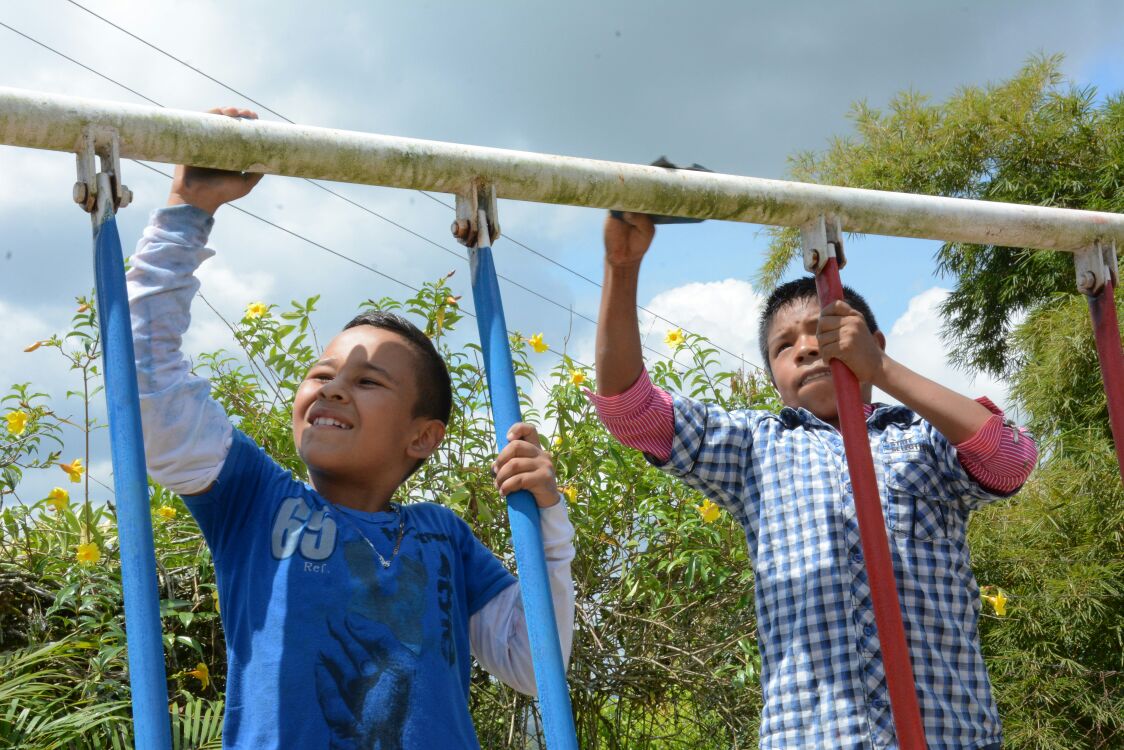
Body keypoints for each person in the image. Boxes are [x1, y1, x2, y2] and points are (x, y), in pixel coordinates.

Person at [127, 107, 575, 749]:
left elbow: (534, 666)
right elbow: (147, 380)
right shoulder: (255, 502)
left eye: (368, 382)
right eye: (321, 373)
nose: (334, 386)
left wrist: (549, 522)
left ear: (423, 436)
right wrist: (188, 207)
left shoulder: (442, 536)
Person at [590, 211, 1037, 750]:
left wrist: (882, 371)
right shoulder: (755, 447)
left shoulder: (922, 439)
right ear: (773, 378)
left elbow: (1009, 460)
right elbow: (629, 411)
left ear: (873, 341)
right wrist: (622, 266)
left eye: (824, 331)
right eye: (783, 347)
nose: (805, 348)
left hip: (950, 735)